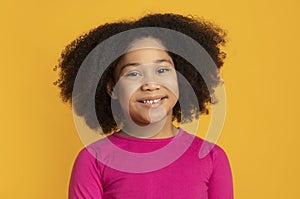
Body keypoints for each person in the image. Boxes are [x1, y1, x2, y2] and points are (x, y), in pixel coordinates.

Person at [54, 13, 234, 199]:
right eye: (133, 74)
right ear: (112, 88)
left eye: (162, 70)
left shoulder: (212, 157)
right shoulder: (93, 159)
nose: (150, 84)